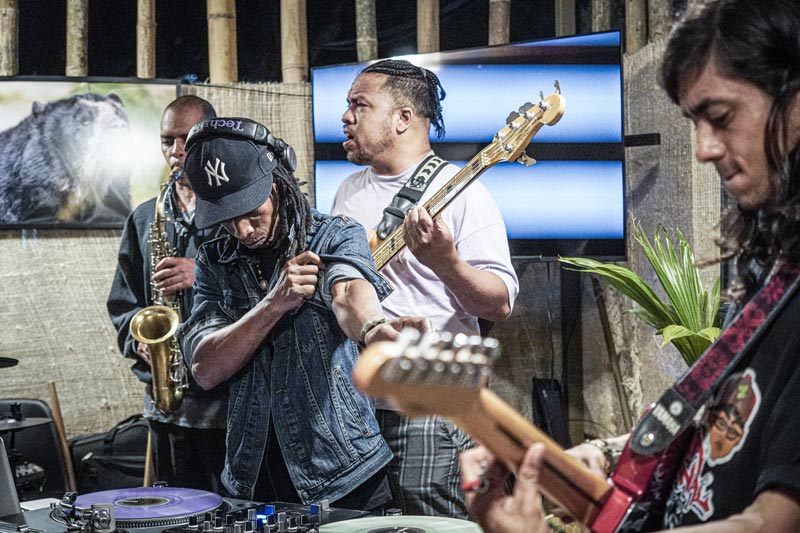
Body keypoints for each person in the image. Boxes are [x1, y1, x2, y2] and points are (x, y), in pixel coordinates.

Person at [461, 0, 800, 531]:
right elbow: (731, 422)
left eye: (722, 118)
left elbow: (772, 522)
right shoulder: (768, 261)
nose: (704, 149)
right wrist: (603, 455)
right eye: (694, 122)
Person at [177, 116, 429, 508]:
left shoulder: (334, 234)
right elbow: (206, 369)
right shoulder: (214, 259)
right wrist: (274, 303)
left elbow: (347, 292)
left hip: (343, 469)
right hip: (251, 472)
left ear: (277, 182)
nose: (242, 230)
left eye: (250, 211)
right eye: (227, 219)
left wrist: (376, 330)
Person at [332, 59, 519, 518]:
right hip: (354, 406)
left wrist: (445, 261)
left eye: (360, 104)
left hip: (431, 406)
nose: (346, 116)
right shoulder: (346, 191)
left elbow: (499, 302)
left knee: (432, 523)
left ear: (403, 119)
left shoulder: (462, 191)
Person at [107, 95, 227, 492]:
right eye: (166, 141)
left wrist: (202, 275)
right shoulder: (145, 217)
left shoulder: (238, 209)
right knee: (175, 511)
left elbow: (269, 290)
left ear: (210, 138)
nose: (176, 152)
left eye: (186, 139)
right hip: (167, 408)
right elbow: (123, 301)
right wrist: (138, 339)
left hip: (228, 406)